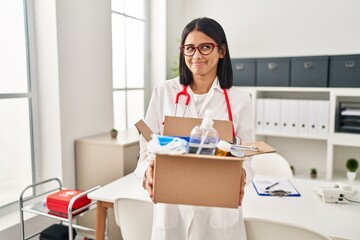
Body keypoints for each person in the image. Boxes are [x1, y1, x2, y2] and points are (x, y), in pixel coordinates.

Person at [134, 17, 255, 240]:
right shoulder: (164, 92)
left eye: (205, 47)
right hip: (172, 212)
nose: (196, 55)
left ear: (221, 51)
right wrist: (147, 174)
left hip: (218, 217)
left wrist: (242, 175)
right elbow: (146, 152)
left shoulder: (240, 100)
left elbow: (246, 155)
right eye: (189, 48)